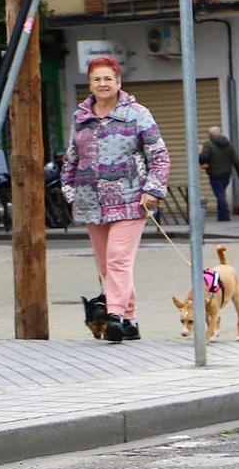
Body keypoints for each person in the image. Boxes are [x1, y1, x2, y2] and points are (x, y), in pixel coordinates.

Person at [62, 56, 169, 343]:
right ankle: (131, 320)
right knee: (106, 266)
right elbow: (71, 157)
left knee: (118, 259)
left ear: (118, 82)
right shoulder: (80, 117)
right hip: (90, 203)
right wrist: (69, 191)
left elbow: (159, 156)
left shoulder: (137, 114)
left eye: (108, 78)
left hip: (130, 200)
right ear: (90, 84)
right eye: (97, 79)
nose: (103, 83)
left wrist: (153, 190)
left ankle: (115, 316)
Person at [198, 125, 239, 223]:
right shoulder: (228, 144)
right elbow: (235, 159)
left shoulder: (208, 145)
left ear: (211, 135)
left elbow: (203, 158)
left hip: (215, 173)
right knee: (221, 193)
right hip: (227, 173)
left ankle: (224, 215)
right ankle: (222, 214)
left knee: (219, 194)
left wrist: (199, 157)